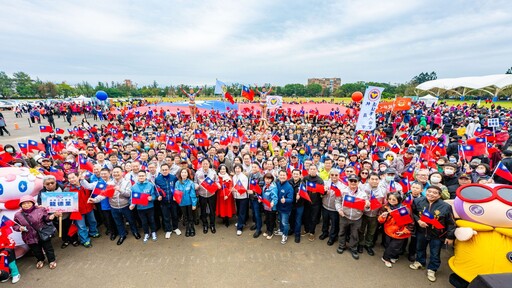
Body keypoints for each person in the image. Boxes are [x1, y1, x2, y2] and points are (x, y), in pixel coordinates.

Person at [410, 186, 456, 282]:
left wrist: (450, 236)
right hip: (421, 232)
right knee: (419, 248)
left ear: (439, 195)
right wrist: (418, 221)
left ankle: (432, 269)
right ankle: (420, 261)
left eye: (435, 193)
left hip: (437, 234)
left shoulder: (446, 206)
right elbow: (413, 213)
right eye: (429, 191)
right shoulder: (418, 201)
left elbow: (451, 223)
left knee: (435, 253)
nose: (431, 194)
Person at [13, 195, 59, 270]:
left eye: (28, 203)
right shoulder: (18, 215)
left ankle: (52, 260)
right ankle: (40, 260)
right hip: (29, 236)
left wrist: (54, 215)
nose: (26, 205)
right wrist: (19, 228)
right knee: (36, 250)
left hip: (43, 233)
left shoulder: (40, 209)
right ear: (21, 205)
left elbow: (47, 219)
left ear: (33, 203)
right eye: (24, 203)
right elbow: (14, 225)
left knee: (48, 248)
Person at [336, 174, 369, 260]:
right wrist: (339, 210)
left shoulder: (363, 194)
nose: (353, 183)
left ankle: (353, 248)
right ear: (348, 182)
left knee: (355, 235)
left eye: (355, 181)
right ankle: (341, 246)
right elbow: (337, 201)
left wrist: (367, 206)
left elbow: (366, 209)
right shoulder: (342, 191)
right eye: (351, 181)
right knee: (342, 232)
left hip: (357, 218)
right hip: (344, 216)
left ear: (358, 182)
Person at [378, 193, 413, 268]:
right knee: (389, 245)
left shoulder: (404, 209)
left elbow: (410, 223)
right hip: (388, 230)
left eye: (394, 199)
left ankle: (389, 257)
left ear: (399, 200)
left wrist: (404, 231)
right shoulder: (385, 207)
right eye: (389, 199)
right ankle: (386, 258)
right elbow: (380, 220)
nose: (391, 201)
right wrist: (383, 216)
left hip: (400, 232)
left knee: (395, 247)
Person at [65, 172, 100, 248]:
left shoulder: (85, 184)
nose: (71, 180)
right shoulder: (67, 189)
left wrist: (93, 204)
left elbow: (91, 193)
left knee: (92, 221)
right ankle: (85, 240)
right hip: (78, 211)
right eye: (69, 178)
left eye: (73, 177)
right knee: (81, 226)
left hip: (89, 207)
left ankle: (93, 232)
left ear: (78, 177)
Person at [358, 172, 385, 255]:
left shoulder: (383, 190)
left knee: (371, 231)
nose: (374, 181)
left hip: (375, 215)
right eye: (372, 179)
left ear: (379, 180)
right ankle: (360, 244)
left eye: (376, 179)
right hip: (363, 213)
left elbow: (384, 203)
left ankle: (368, 245)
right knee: (361, 230)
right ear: (368, 180)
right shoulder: (362, 188)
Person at [130, 171, 161, 243]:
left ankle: (153, 232)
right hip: (140, 208)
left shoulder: (150, 185)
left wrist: (152, 198)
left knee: (152, 220)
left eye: (142, 176)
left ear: (145, 176)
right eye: (140, 176)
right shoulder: (134, 187)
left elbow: (154, 195)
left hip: (150, 207)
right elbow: (132, 198)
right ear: (137, 177)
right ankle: (146, 233)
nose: (141, 177)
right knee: (144, 222)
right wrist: (132, 204)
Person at [154, 163, 181, 239]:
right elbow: (156, 189)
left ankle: (175, 228)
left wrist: (176, 196)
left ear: (169, 170)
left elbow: (177, 188)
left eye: (166, 169)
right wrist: (157, 195)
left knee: (175, 215)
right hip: (163, 202)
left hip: (173, 201)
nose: (165, 171)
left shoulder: (173, 178)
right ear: (161, 170)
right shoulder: (157, 179)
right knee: (166, 217)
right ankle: (168, 230)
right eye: (163, 170)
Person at [194, 159, 220, 234]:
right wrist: (196, 186)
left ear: (209, 164)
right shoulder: (198, 172)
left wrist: (218, 185)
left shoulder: (213, 172)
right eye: (203, 164)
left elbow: (216, 181)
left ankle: (212, 225)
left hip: (211, 194)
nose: (205, 165)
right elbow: (195, 181)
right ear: (201, 164)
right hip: (202, 194)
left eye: (206, 164)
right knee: (203, 211)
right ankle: (205, 225)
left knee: (212, 210)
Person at [319, 168, 344, 246]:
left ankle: (332, 237)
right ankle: (325, 232)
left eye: (336, 175)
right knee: (325, 221)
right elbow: (321, 193)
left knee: (334, 224)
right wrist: (324, 191)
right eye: (332, 175)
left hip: (334, 209)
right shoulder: (326, 182)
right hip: (325, 206)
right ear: (329, 175)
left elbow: (342, 198)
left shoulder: (342, 186)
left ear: (339, 176)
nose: (334, 176)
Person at [175, 168, 198, 237]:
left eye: (185, 172)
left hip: (190, 203)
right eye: (182, 172)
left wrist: (194, 204)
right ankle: (187, 228)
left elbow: (193, 194)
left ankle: (192, 228)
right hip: (182, 203)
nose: (184, 174)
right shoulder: (177, 183)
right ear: (180, 174)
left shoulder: (191, 183)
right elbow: (176, 193)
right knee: (185, 217)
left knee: (191, 216)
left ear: (187, 174)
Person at [275, 170, 294, 244]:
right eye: (281, 175)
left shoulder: (289, 187)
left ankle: (285, 235)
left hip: (285, 208)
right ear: (278, 176)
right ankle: (281, 230)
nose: (282, 177)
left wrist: (285, 200)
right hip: (279, 207)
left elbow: (291, 199)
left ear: (287, 176)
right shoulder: (277, 184)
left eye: (284, 175)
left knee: (285, 222)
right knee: (280, 220)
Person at [232, 164, 249, 235]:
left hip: (243, 196)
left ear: (241, 169)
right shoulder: (234, 176)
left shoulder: (244, 177)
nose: (237, 170)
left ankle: (240, 228)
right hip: (236, 197)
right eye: (236, 168)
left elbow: (244, 188)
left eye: (239, 168)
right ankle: (242, 222)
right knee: (239, 210)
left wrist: (235, 189)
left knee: (242, 212)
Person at [261, 173, 278, 240]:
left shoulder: (273, 187)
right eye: (266, 179)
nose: (267, 180)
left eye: (269, 179)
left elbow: (275, 198)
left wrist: (273, 203)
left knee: (271, 220)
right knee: (267, 219)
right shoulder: (265, 186)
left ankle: (270, 232)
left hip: (271, 207)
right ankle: (267, 230)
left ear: (272, 179)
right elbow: (263, 195)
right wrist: (261, 200)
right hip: (265, 205)